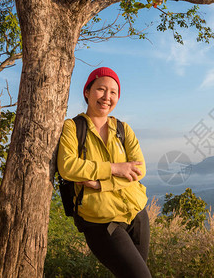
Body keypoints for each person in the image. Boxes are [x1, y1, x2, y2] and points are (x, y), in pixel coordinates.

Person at [57, 67, 151, 278]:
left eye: (113, 92)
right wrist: (116, 168)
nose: (107, 97)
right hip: (101, 222)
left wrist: (101, 184)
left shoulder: (123, 129)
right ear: (87, 91)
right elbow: (68, 166)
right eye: (101, 89)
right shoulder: (73, 127)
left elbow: (139, 169)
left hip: (137, 214)